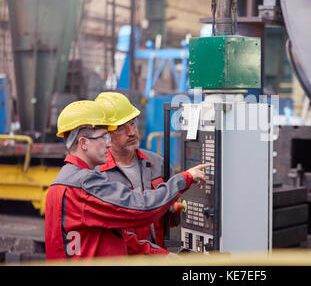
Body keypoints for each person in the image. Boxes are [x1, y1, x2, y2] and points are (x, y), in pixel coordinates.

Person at [45, 100, 209, 260]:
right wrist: (184, 178)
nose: (108, 145)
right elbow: (141, 209)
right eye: (104, 138)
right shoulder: (84, 184)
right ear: (83, 143)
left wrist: (160, 256)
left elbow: (119, 237)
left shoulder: (60, 184)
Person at [94, 92, 186, 254]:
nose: (131, 132)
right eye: (121, 128)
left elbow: (173, 219)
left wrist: (175, 209)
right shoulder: (97, 175)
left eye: (133, 123)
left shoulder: (158, 163)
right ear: (104, 135)